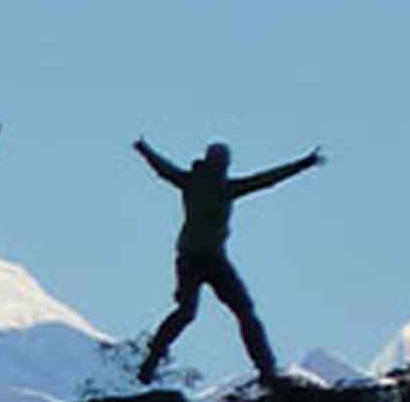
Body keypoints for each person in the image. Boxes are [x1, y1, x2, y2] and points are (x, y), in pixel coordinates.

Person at [131, 138, 324, 385]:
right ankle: (152, 360)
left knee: (237, 311)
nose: (224, 167)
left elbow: (267, 179)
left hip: (209, 259)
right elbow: (163, 168)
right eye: (221, 162)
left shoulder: (220, 187)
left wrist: (303, 163)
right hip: (194, 259)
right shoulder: (197, 183)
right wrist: (144, 149)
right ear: (213, 162)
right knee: (193, 312)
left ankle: (266, 369)